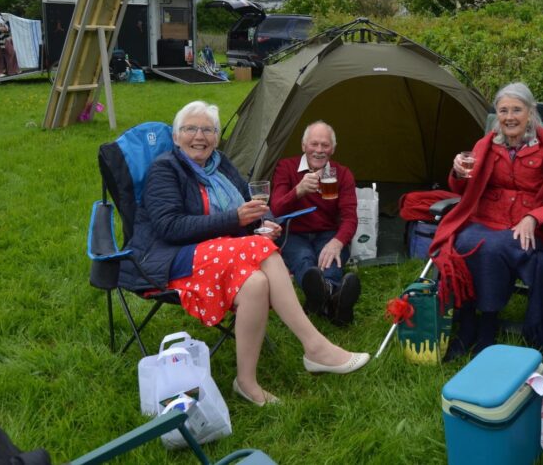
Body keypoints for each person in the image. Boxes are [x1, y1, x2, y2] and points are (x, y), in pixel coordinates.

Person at [119, 101, 369, 407]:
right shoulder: (165, 169)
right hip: (174, 258)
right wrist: (236, 220)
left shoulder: (220, 165)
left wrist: (265, 224)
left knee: (256, 284)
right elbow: (169, 227)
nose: (200, 136)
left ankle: (246, 382)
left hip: (222, 252)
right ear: (175, 136)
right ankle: (315, 346)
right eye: (190, 129)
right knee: (260, 249)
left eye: (208, 129)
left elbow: (255, 208)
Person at [430, 82, 543, 357]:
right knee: (464, 241)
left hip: (523, 227)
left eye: (516, 110)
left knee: (493, 247)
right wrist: (458, 173)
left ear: (530, 112)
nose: (509, 117)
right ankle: (467, 322)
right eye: (503, 110)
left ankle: (484, 326)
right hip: (485, 218)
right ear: (496, 115)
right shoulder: (486, 145)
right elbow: (462, 191)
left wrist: (535, 217)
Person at [270, 121, 361, 326]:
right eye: (314, 144)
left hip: (327, 233)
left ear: (333, 149)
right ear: (304, 146)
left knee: (329, 258)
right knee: (304, 259)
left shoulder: (342, 173)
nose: (319, 150)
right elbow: (275, 208)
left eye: (325, 145)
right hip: (294, 232)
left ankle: (319, 298)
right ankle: (335, 301)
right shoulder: (287, 167)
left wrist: (338, 241)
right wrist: (298, 191)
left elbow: (350, 217)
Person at [0, 10, 20, 77]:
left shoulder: (0, 16)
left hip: (4, 37)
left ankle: (12, 70)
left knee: (11, 52)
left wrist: (5, 28)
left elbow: (6, 25)